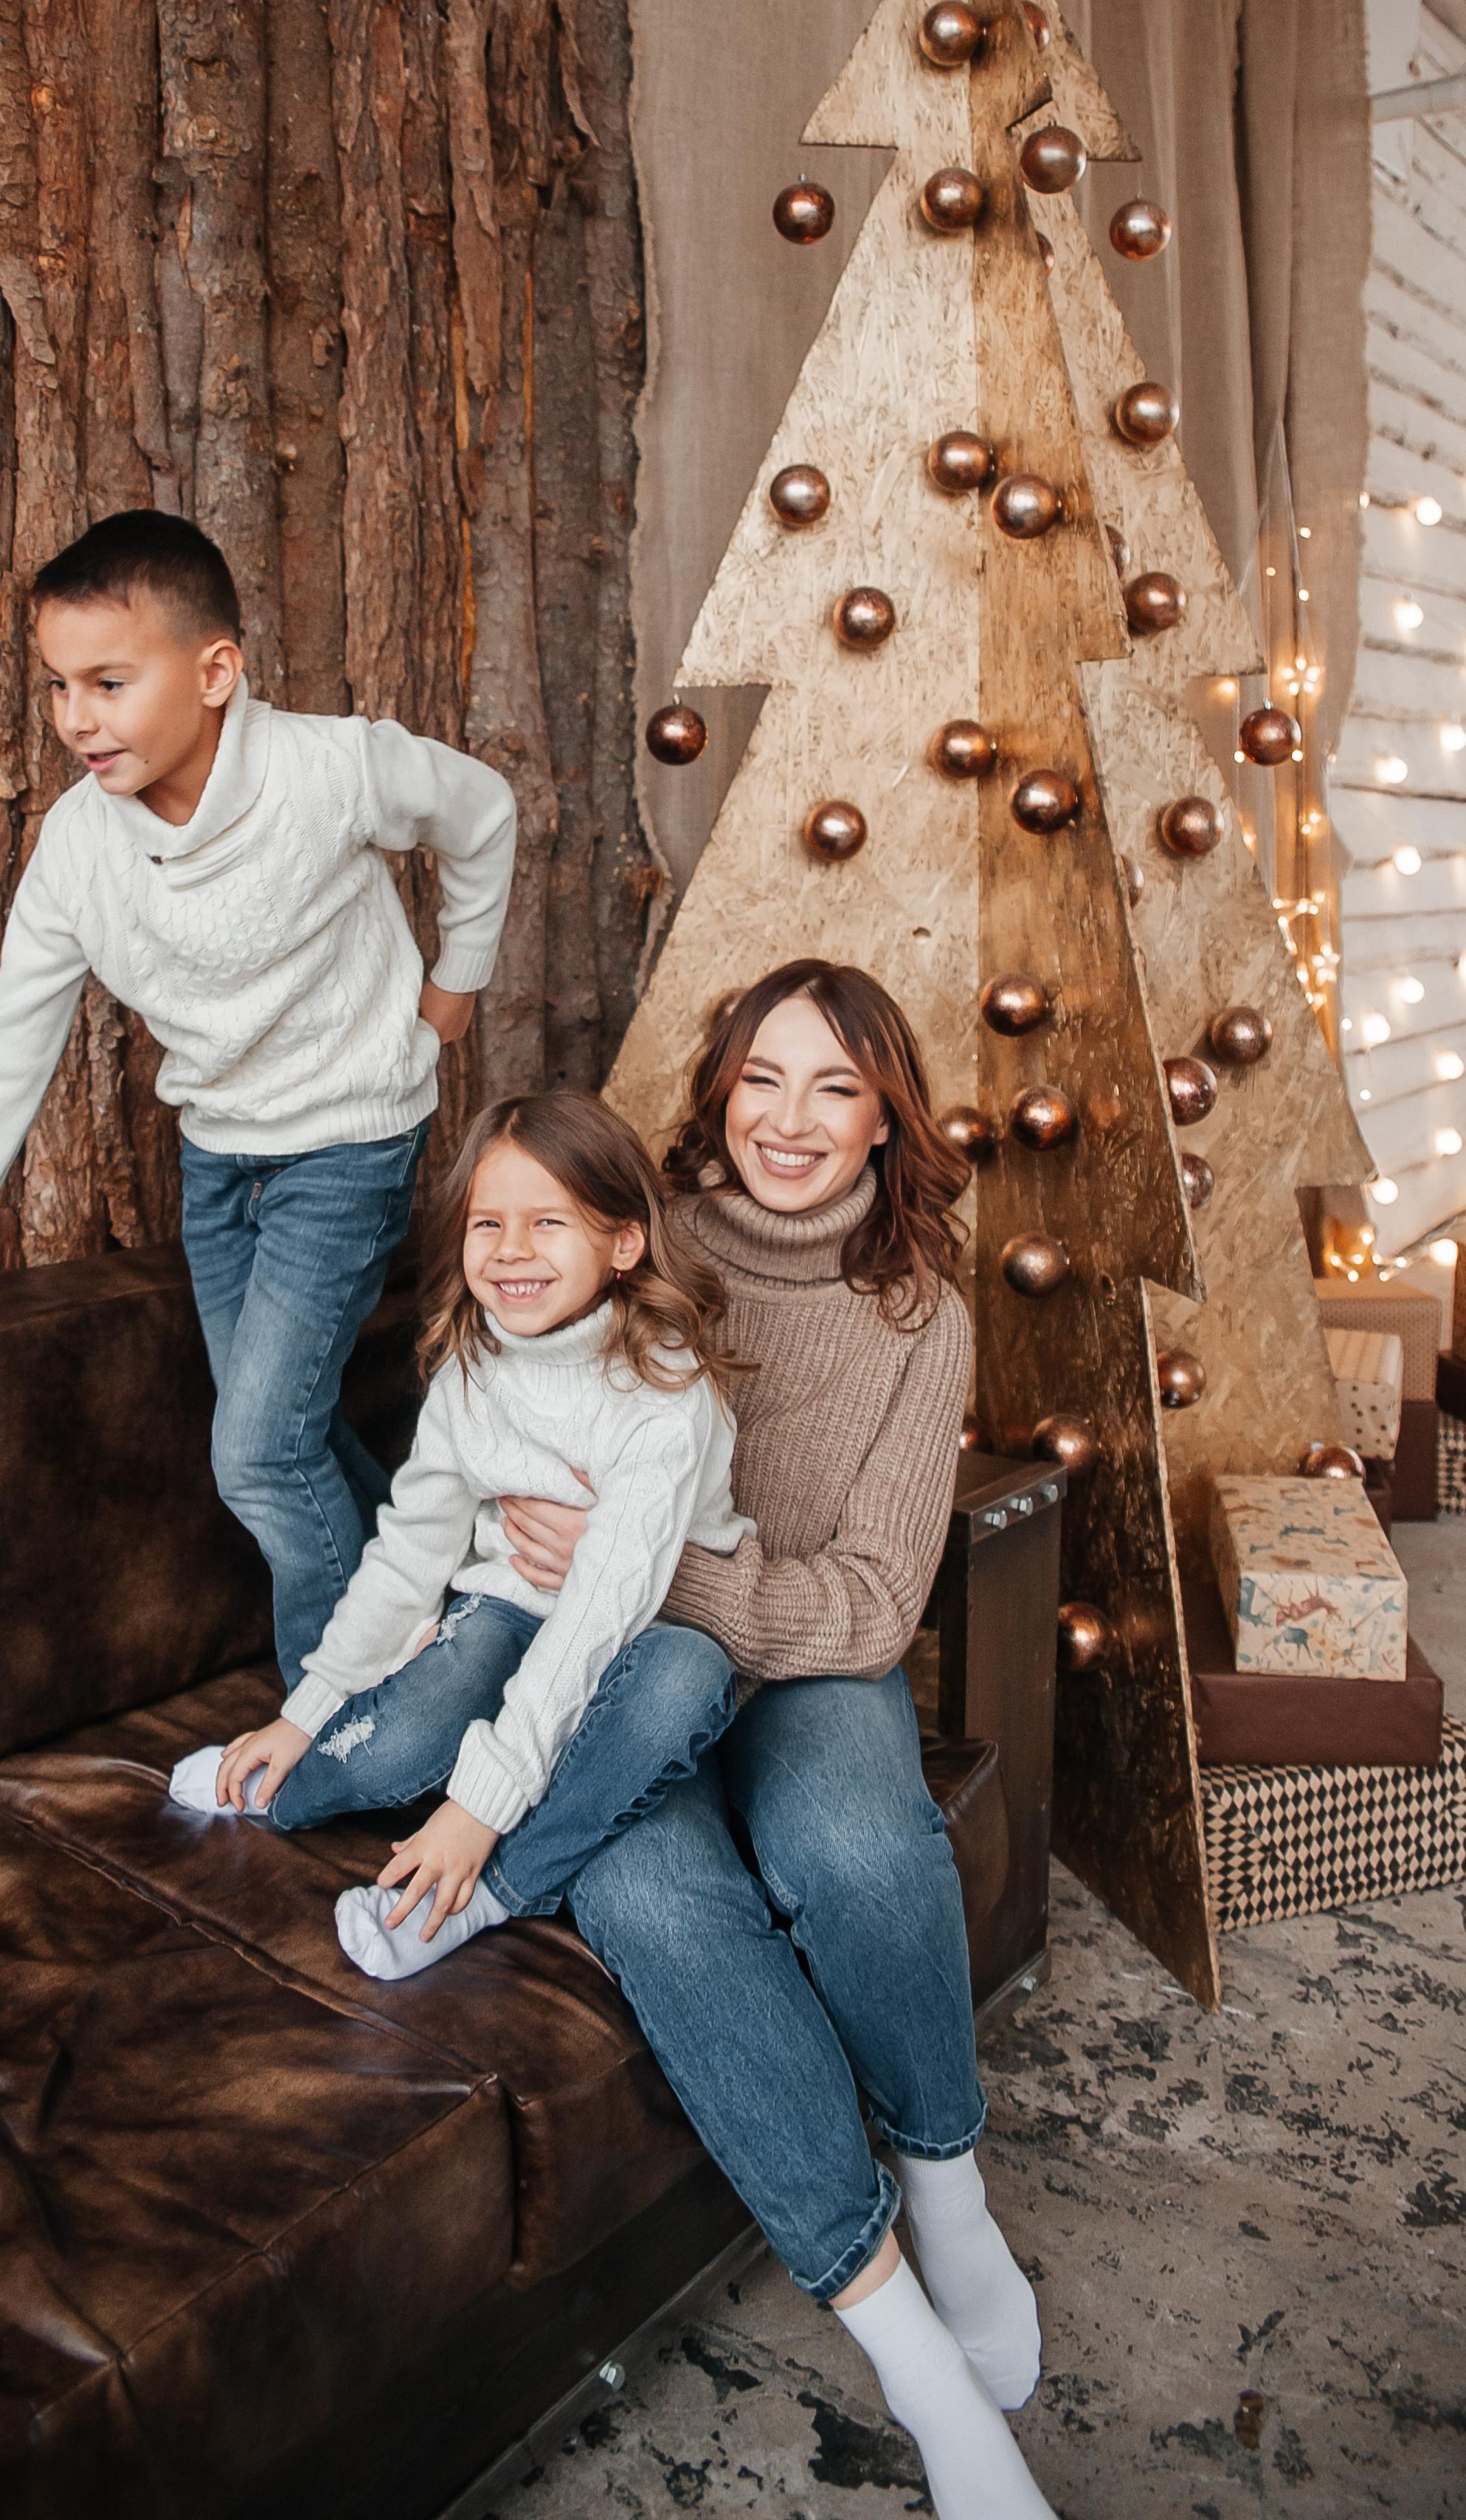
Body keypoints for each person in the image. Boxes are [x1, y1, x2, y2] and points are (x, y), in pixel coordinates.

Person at [498, 964, 1054, 2520]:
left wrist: (657, 1564)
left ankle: (948, 2190)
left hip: (811, 1657)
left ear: (885, 1117)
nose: (789, 1119)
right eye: (761, 1079)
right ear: (718, 1091)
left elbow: (872, 1602)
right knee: (656, 1900)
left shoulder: (917, 1315)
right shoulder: (638, 1241)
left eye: (833, 1087)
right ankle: (913, 2361)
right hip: (619, 1670)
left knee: (855, 1841)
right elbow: (511, 1424)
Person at [0, 510, 516, 1684]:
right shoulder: (77, 848)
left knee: (259, 1454)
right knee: (278, 1436)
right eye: (58, 685)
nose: (76, 717)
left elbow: (481, 810)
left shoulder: (330, 768)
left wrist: (459, 978)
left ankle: (339, 1711)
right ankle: (451, 1607)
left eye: (109, 682)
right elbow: (9, 1044)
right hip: (220, 1159)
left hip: (348, 1142)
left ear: (215, 671)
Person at [167, 1091, 745, 1981]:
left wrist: (476, 1811)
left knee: (686, 1676)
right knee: (400, 1735)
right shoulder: (474, 1368)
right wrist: (302, 1714)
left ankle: (485, 1893)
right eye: (487, 1223)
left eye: (548, 1221)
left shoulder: (664, 1395)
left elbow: (600, 1611)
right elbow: (410, 1552)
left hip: (637, 1638)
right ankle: (281, 1791)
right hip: (508, 1612)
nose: (511, 1249)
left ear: (625, 1242)